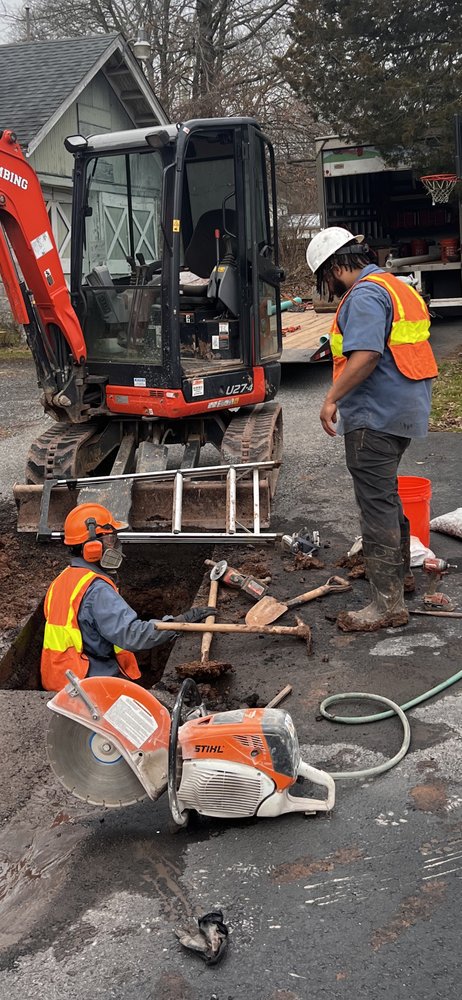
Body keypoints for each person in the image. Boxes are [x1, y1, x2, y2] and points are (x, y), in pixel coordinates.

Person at [306, 227, 438, 632]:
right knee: (385, 494)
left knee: (375, 504)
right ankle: (401, 579)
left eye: (325, 278)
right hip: (403, 409)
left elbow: (366, 356)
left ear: (333, 268)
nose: (328, 287)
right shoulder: (396, 286)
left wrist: (331, 398)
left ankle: (387, 606)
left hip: (374, 413)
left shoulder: (364, 295)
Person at [41, 503, 214, 691]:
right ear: (92, 547)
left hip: (61, 680)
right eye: (110, 539)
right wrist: (179, 623)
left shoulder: (62, 579)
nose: (115, 544)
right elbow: (133, 635)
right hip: (89, 685)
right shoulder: (97, 590)